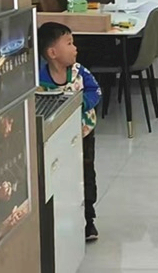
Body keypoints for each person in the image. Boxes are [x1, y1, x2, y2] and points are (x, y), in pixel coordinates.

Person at [38, 22, 102, 242]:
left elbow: (95, 90)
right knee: (62, 175)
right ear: (52, 53)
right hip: (56, 137)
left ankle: (88, 220)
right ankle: (64, 218)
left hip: (83, 134)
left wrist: (81, 103)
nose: (75, 48)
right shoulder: (39, 78)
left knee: (86, 175)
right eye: (69, 43)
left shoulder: (79, 72)